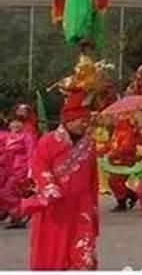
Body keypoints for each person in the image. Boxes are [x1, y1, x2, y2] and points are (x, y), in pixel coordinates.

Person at [22, 97, 98, 270]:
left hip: (81, 207)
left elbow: (93, 179)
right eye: (82, 120)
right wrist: (49, 188)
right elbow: (38, 166)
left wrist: (93, 210)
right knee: (52, 253)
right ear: (69, 120)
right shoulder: (48, 141)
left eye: (87, 120)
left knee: (83, 254)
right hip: (55, 207)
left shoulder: (89, 144)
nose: (85, 124)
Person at [0, 116, 34, 228]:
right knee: (8, 193)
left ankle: (20, 214)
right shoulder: (8, 137)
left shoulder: (27, 136)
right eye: (13, 122)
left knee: (8, 192)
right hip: (7, 168)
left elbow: (31, 153)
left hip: (20, 168)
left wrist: (30, 170)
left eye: (18, 122)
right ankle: (16, 216)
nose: (15, 125)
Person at [106, 116, 142, 212]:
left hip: (124, 161)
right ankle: (130, 196)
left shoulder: (128, 132)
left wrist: (114, 153)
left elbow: (127, 147)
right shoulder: (117, 131)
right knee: (118, 181)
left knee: (117, 181)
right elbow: (112, 144)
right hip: (117, 160)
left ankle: (123, 201)